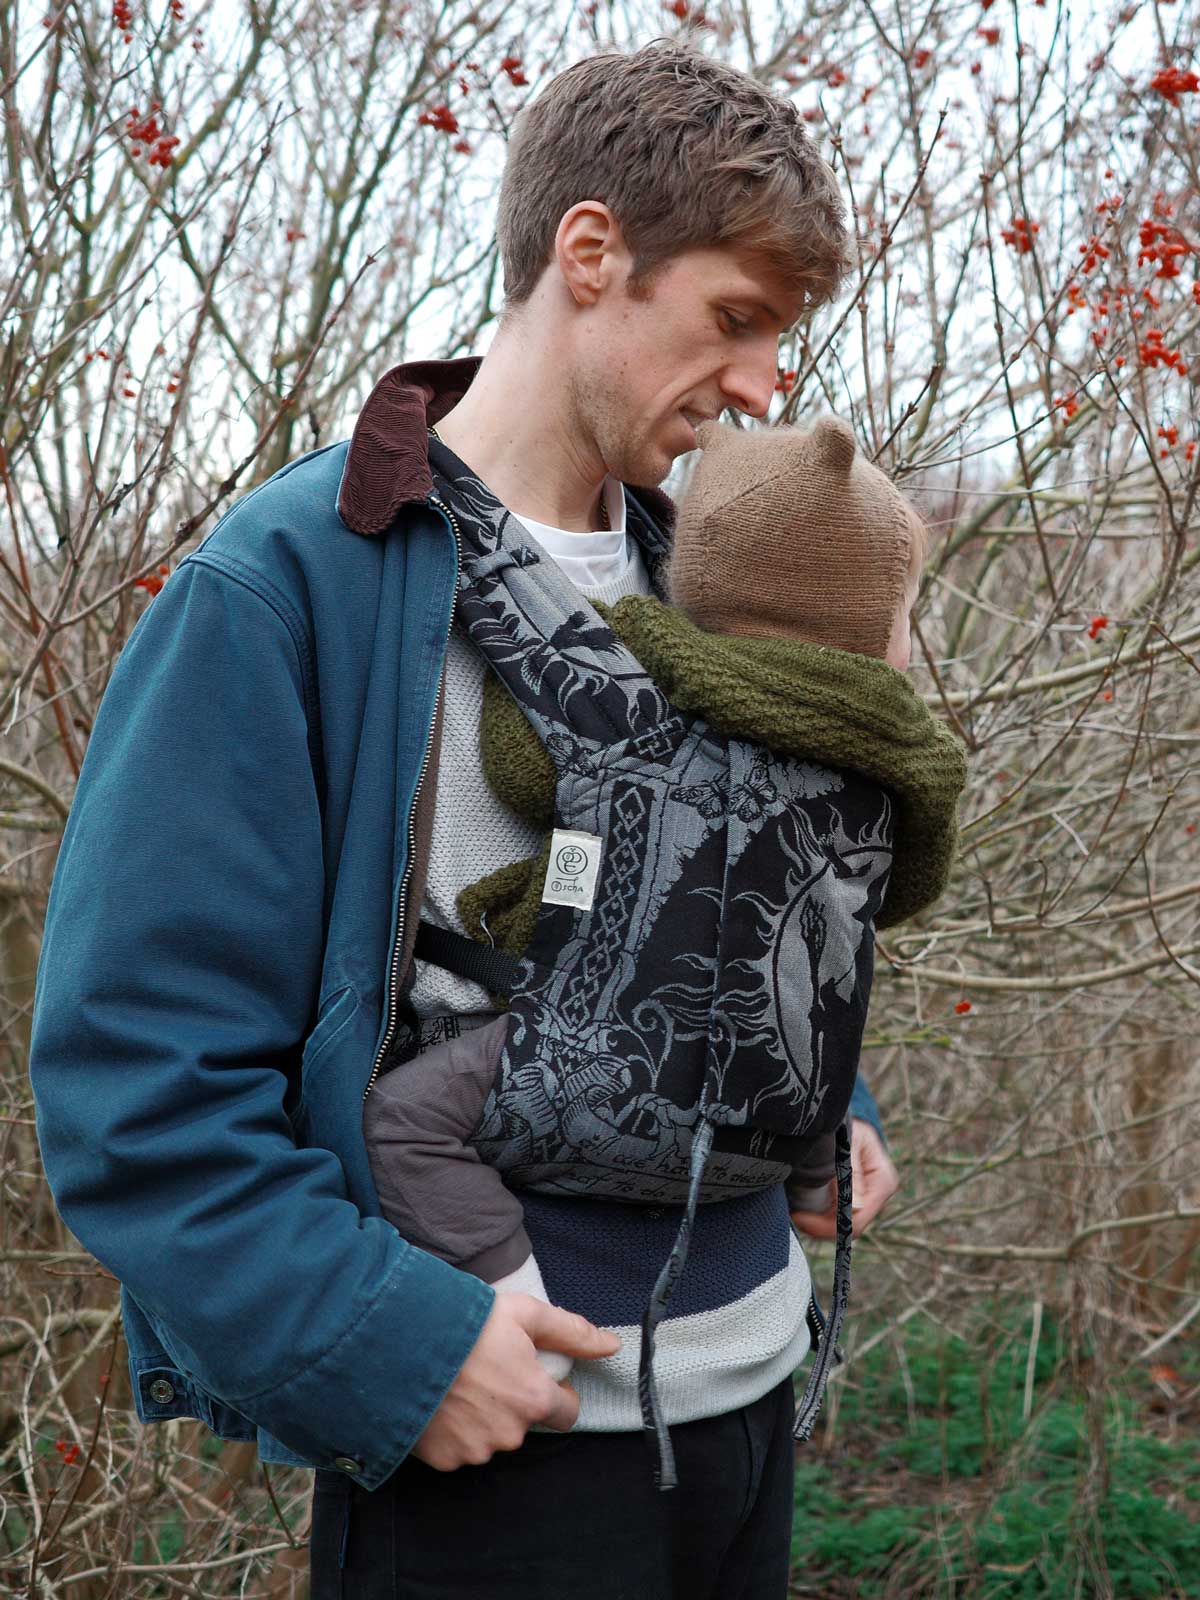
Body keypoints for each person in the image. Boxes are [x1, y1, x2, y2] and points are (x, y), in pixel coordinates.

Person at [29, 39, 905, 1600]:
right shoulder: (295, 582)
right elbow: (134, 1084)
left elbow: (743, 924)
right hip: (500, 1455)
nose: (769, 386)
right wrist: (395, 1349)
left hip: (751, 1406)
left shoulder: (708, 583)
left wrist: (819, 1106)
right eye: (738, 319)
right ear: (591, 254)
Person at [362, 413, 967, 1402]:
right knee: (802, 1023)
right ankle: (822, 1178)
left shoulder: (630, 669)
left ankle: (520, 1309)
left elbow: (519, 771)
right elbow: (904, 888)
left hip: (582, 1061)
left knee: (402, 1124)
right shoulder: (897, 760)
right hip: (768, 1093)